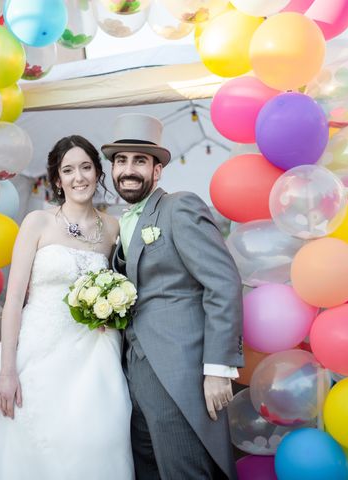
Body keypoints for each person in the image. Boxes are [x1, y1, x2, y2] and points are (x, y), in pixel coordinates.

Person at [0, 135, 134, 479]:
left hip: (94, 357)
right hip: (37, 353)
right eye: (68, 170)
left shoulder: (114, 229)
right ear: (58, 180)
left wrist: (114, 309)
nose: (78, 177)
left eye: (86, 167)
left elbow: (124, 284)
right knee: (26, 448)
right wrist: (7, 370)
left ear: (97, 173)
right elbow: (14, 300)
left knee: (95, 442)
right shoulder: (38, 222)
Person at [103, 113, 244, 479]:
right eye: (121, 161)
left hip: (180, 373)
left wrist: (217, 369)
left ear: (157, 170)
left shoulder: (179, 206)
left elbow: (223, 282)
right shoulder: (120, 225)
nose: (128, 169)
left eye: (139, 160)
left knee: (185, 469)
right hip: (132, 372)